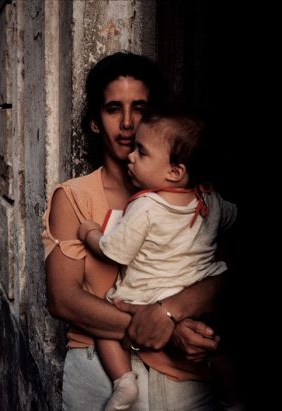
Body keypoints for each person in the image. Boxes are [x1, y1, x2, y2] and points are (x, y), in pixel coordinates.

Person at [43, 51, 225, 411]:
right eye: (113, 109)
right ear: (95, 121)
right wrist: (167, 331)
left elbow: (225, 274)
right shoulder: (75, 197)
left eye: (139, 107)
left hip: (186, 378)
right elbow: (63, 299)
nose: (127, 123)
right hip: (101, 374)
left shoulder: (192, 196)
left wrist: (170, 311)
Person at [77, 110, 238, 410]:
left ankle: (124, 381)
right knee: (216, 345)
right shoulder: (210, 200)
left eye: (142, 152)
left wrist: (89, 233)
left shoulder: (147, 206)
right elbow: (234, 218)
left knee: (102, 319)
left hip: (148, 294)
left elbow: (114, 250)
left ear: (175, 172)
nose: (131, 157)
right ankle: (233, 399)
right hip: (195, 292)